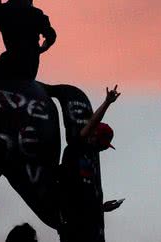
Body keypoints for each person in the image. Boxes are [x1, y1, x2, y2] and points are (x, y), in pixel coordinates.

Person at [58, 86, 121, 242]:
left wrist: (103, 207)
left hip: (86, 225)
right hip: (73, 225)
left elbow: (86, 199)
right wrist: (107, 103)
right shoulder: (77, 147)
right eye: (103, 144)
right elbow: (93, 121)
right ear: (94, 137)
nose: (102, 149)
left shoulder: (92, 159)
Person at [0, 0, 56, 81]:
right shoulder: (36, 13)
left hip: (10, 60)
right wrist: (41, 49)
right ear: (29, 0)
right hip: (30, 64)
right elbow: (51, 36)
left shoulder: (2, 10)